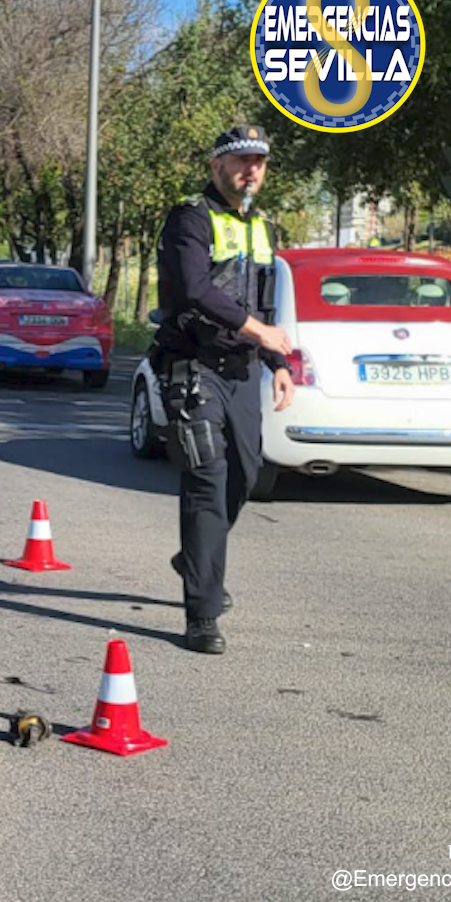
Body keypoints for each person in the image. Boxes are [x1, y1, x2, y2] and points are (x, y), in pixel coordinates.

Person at [150, 125, 295, 655]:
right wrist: (260, 333)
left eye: (258, 161)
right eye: (239, 161)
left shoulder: (261, 227)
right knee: (208, 478)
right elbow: (195, 287)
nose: (249, 170)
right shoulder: (191, 217)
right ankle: (202, 613)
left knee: (245, 474)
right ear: (216, 167)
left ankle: (196, 557)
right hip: (192, 364)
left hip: (241, 369)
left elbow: (266, 304)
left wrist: (277, 360)